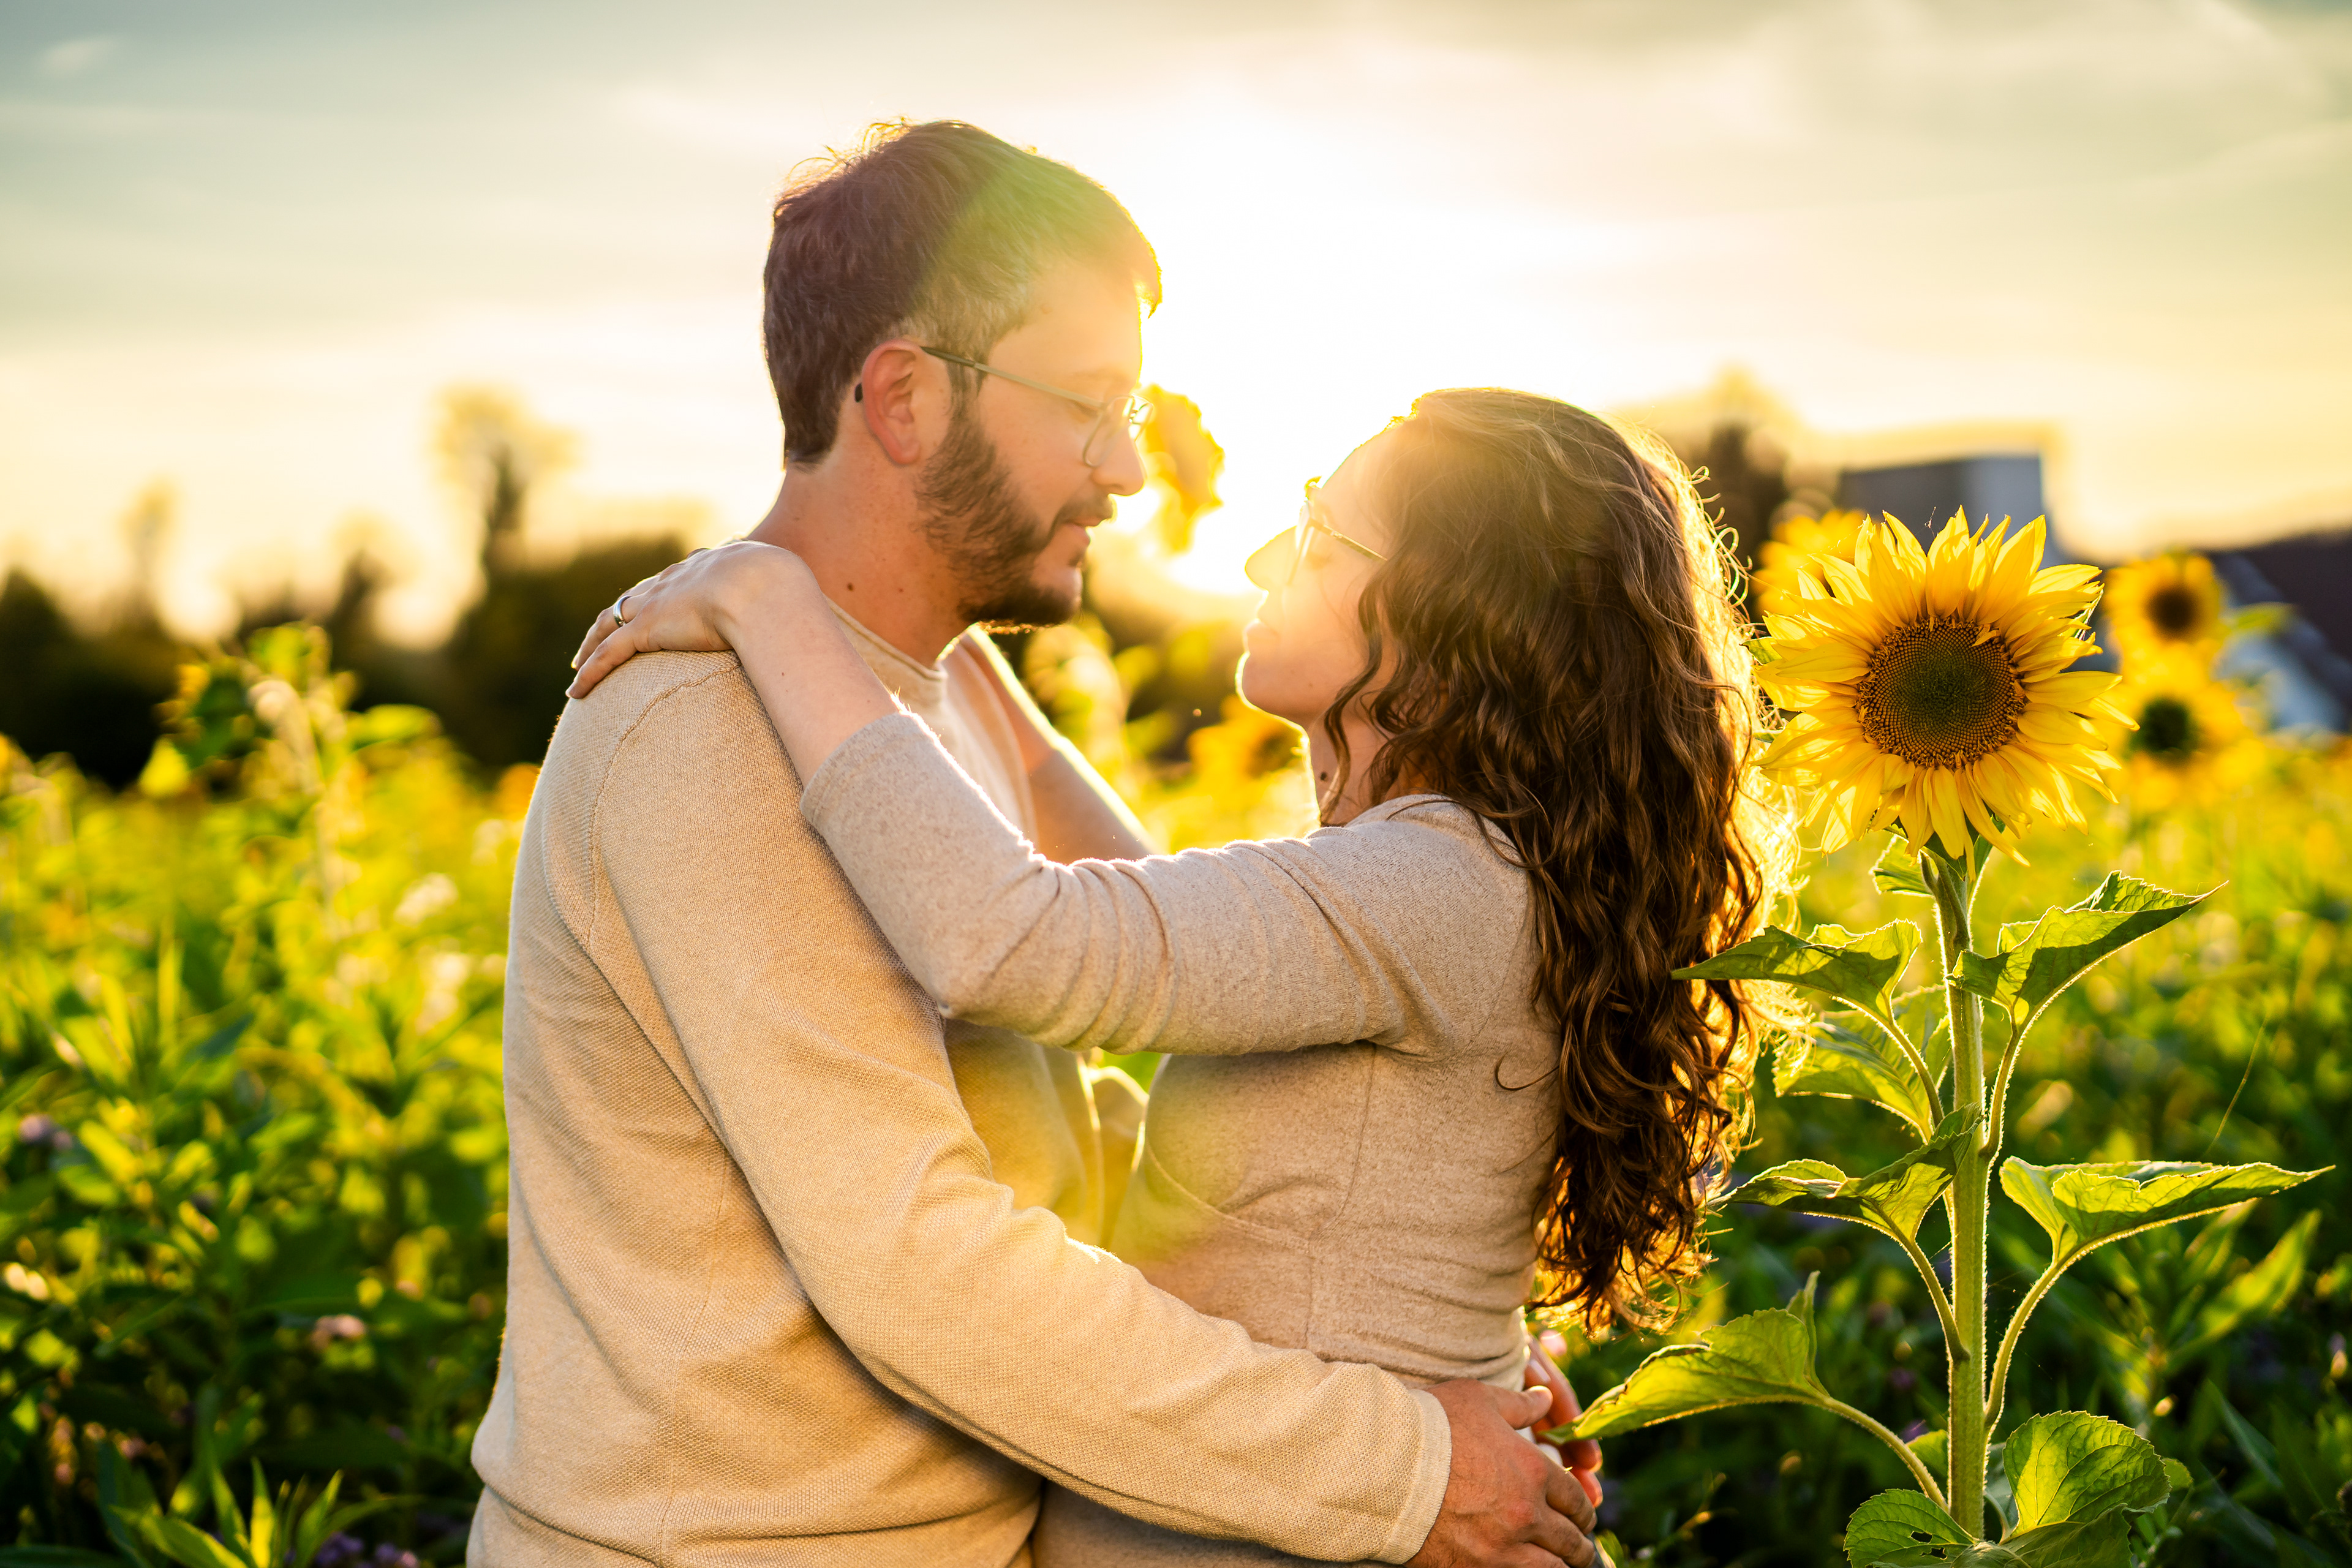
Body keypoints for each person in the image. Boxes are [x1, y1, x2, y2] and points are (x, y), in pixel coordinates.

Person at [473, 121, 1601, 1568]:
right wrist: (1399, 1462)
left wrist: (1413, 1340)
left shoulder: (917, 696)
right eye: (1088, 404)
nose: (1129, 466)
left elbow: (1058, 1111)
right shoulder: (713, 722)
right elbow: (925, 1267)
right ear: (904, 398)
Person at [568, 385, 1796, 1566]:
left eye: (1318, 538)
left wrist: (774, 603)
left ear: (1452, 621)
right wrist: (933, 631)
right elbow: (1136, 901)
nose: (1262, 558)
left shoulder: (1431, 888)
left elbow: (1012, 938)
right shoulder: (1459, 879)